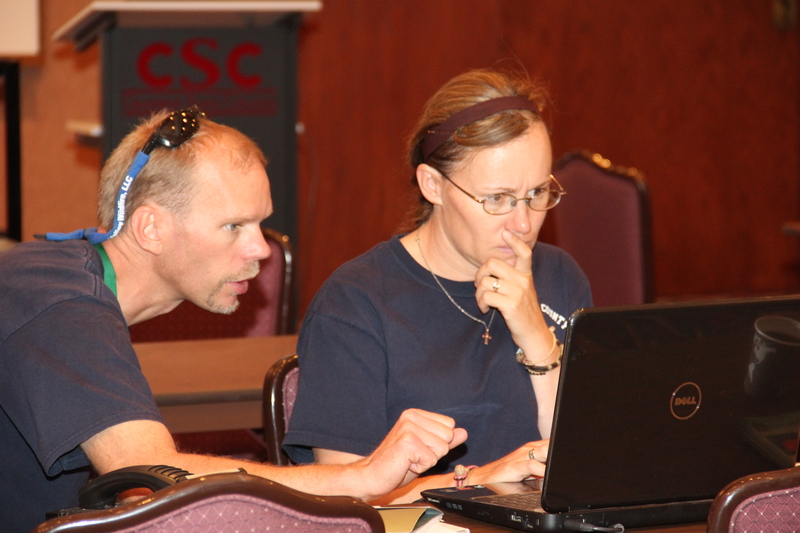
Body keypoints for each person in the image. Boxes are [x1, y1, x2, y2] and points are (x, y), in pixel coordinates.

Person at [0, 107, 468, 533]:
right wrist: (359, 477)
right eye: (234, 227)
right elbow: (153, 473)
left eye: (260, 224)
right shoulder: (58, 304)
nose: (262, 250)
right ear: (150, 228)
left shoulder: (63, 278)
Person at [283, 68, 593, 504]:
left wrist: (538, 341)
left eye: (538, 193)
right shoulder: (357, 301)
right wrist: (483, 478)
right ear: (433, 185)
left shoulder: (560, 276)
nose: (523, 224)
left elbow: (593, 465)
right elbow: (342, 505)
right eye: (497, 199)